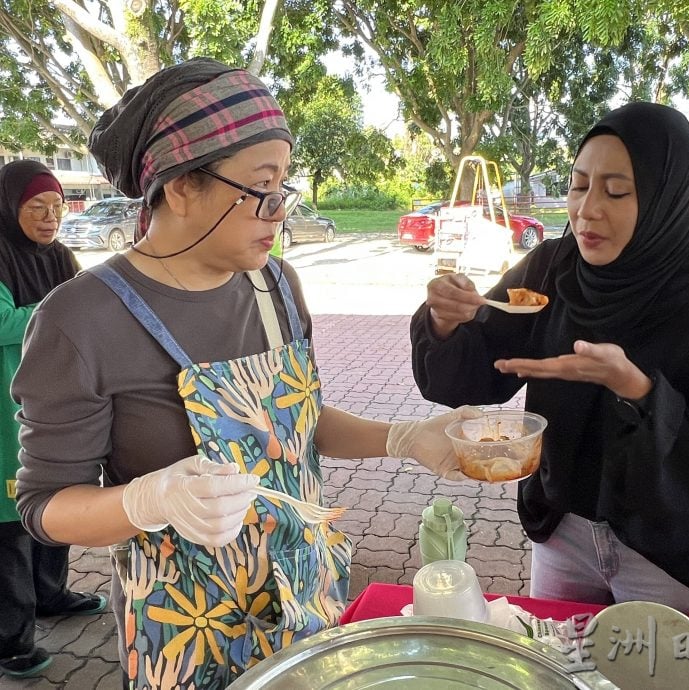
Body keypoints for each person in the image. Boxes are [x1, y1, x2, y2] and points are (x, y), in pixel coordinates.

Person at [11, 58, 474, 690]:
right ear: (180, 187)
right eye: (261, 188)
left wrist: (405, 438)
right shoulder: (81, 319)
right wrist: (149, 499)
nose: (278, 211)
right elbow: (46, 506)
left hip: (305, 598)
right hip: (183, 627)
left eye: (285, 188)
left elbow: (295, 424)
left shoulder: (275, 286)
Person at [409, 102, 689, 616]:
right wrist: (446, 321)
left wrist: (639, 392)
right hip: (564, 534)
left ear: (667, 197)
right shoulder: (551, 269)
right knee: (564, 669)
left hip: (673, 554)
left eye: (617, 190)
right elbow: (475, 372)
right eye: (579, 185)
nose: (586, 210)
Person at [0, 161, 107, 679]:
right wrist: (62, 307)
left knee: (58, 499)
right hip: (6, 409)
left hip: (57, 402)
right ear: (10, 207)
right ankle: (9, 642)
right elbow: (3, 322)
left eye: (57, 207)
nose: (50, 218)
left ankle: (51, 594)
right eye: (36, 207)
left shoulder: (61, 256)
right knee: (9, 525)